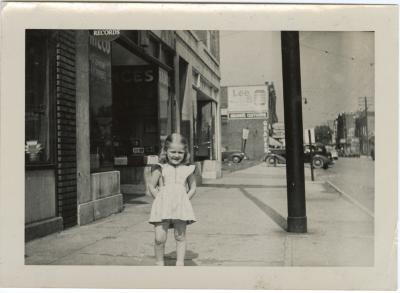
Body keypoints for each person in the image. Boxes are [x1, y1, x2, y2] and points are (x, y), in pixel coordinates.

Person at [148, 133, 197, 266]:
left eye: (180, 152)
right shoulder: (160, 167)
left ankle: (180, 263)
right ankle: (159, 262)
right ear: (166, 151)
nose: (176, 155)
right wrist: (159, 198)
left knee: (180, 236)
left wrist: (185, 200)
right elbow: (151, 186)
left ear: (185, 153)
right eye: (173, 152)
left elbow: (193, 187)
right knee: (160, 237)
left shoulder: (188, 169)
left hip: (180, 207)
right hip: (162, 206)